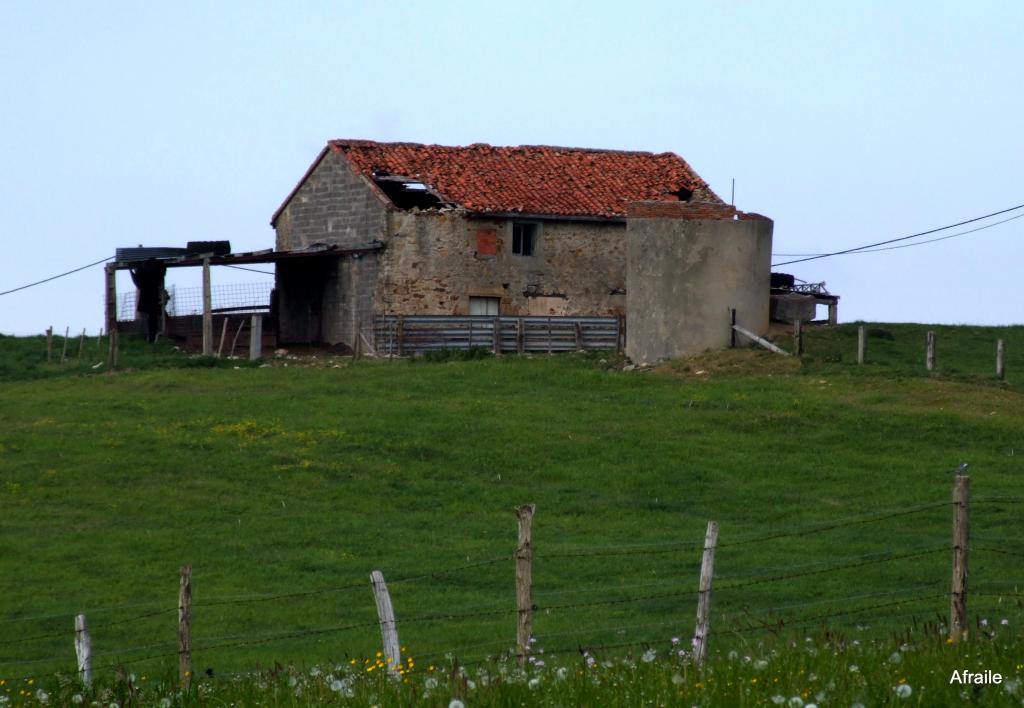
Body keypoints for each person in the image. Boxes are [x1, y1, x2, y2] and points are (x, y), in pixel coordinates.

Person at [129, 258, 168, 342]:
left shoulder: (141, 273)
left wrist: (131, 271)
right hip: (153, 299)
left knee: (148, 319)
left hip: (146, 300)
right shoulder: (157, 272)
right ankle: (152, 337)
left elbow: (137, 281)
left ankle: (150, 337)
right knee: (152, 319)